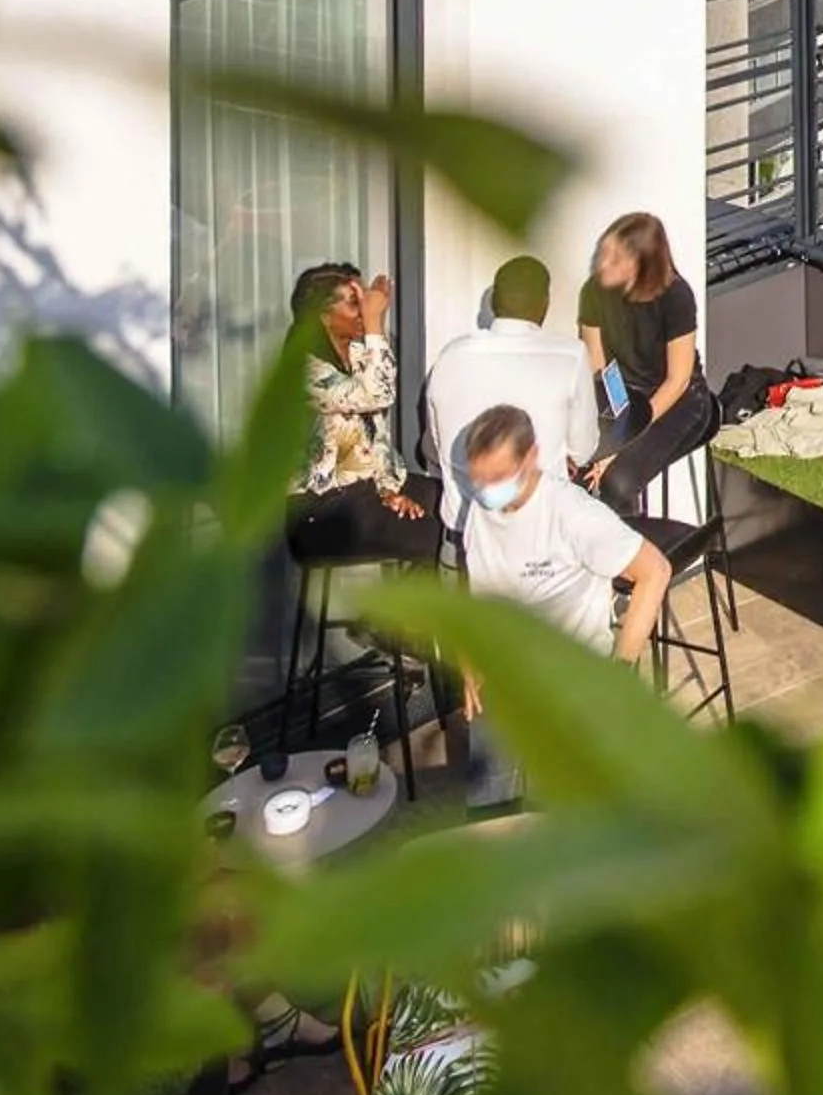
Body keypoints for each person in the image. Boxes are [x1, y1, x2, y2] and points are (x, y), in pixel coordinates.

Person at [443, 403, 673, 808]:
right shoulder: (482, 509)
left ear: (530, 457)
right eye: (478, 479)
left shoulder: (572, 515)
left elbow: (655, 571)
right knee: (489, 808)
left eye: (497, 478)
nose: (485, 490)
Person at [282, 261, 440, 567]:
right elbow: (378, 394)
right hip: (323, 512)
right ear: (323, 315)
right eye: (354, 303)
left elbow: (374, 441)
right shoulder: (303, 370)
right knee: (434, 536)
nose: (365, 308)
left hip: (366, 490)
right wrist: (373, 322)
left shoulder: (356, 354)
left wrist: (389, 490)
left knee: (458, 509)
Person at [575, 211, 713, 515]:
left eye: (614, 257)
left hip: (679, 399)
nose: (602, 262)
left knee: (617, 481)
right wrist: (607, 433)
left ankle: (635, 558)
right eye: (603, 252)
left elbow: (678, 380)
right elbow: (598, 366)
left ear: (641, 263)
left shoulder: (676, 296)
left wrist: (620, 444)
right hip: (623, 396)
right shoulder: (594, 291)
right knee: (577, 472)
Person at [426, 256, 599, 481]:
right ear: (545, 303)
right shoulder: (571, 356)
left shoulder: (450, 356)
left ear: (492, 303)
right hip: (540, 513)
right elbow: (583, 451)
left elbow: (433, 448)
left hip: (463, 513)